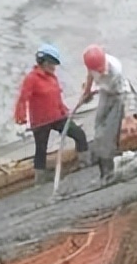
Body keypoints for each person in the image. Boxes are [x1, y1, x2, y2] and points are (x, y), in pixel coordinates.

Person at [14, 44, 90, 186]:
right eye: (51, 64)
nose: (54, 67)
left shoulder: (52, 78)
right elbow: (23, 98)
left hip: (58, 118)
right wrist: (21, 118)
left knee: (79, 135)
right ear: (43, 62)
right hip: (41, 122)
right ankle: (40, 178)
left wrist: (65, 111)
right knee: (41, 149)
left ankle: (85, 161)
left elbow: (56, 98)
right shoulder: (31, 79)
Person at [81, 44, 137, 185]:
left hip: (118, 96)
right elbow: (90, 74)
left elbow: (127, 93)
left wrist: (129, 116)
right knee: (99, 127)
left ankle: (109, 170)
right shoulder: (92, 64)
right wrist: (87, 91)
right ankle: (103, 168)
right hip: (105, 92)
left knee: (109, 133)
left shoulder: (115, 69)